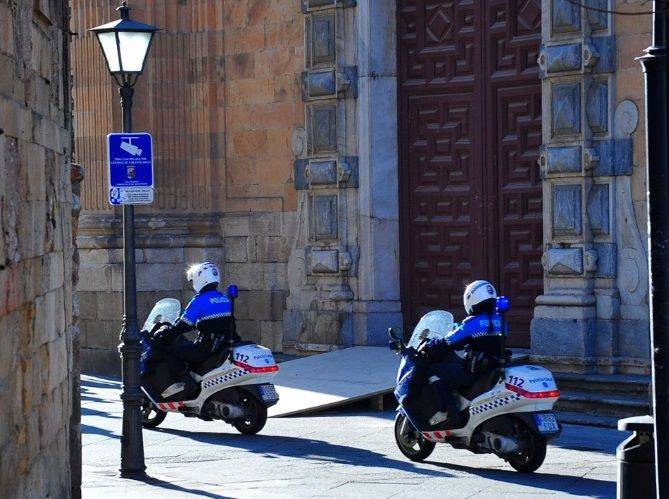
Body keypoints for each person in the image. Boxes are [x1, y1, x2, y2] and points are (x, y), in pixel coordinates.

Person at [418, 279, 506, 428]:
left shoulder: (473, 323)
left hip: (475, 372)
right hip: (493, 367)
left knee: (434, 371)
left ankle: (450, 412)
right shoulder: (501, 320)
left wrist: (430, 344)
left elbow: (449, 341)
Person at [151, 261, 240, 396]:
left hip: (207, 346)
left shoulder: (199, 300)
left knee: (171, 352)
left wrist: (167, 332)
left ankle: (188, 384)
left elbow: (184, 324)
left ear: (200, 279)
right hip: (225, 343)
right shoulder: (224, 298)